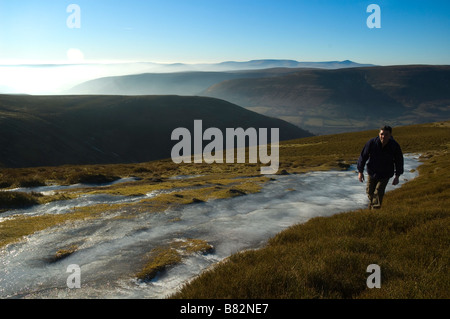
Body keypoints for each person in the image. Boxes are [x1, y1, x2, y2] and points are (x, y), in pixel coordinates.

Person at [357, 126, 404, 209]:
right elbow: (363, 157)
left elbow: (399, 161)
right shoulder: (371, 143)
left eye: (386, 134)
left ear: (390, 135)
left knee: (378, 193)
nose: (383, 136)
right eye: (382, 134)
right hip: (372, 172)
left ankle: (374, 213)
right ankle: (371, 208)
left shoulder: (394, 146)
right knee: (369, 192)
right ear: (379, 134)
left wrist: (397, 176)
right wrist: (360, 172)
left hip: (385, 174)